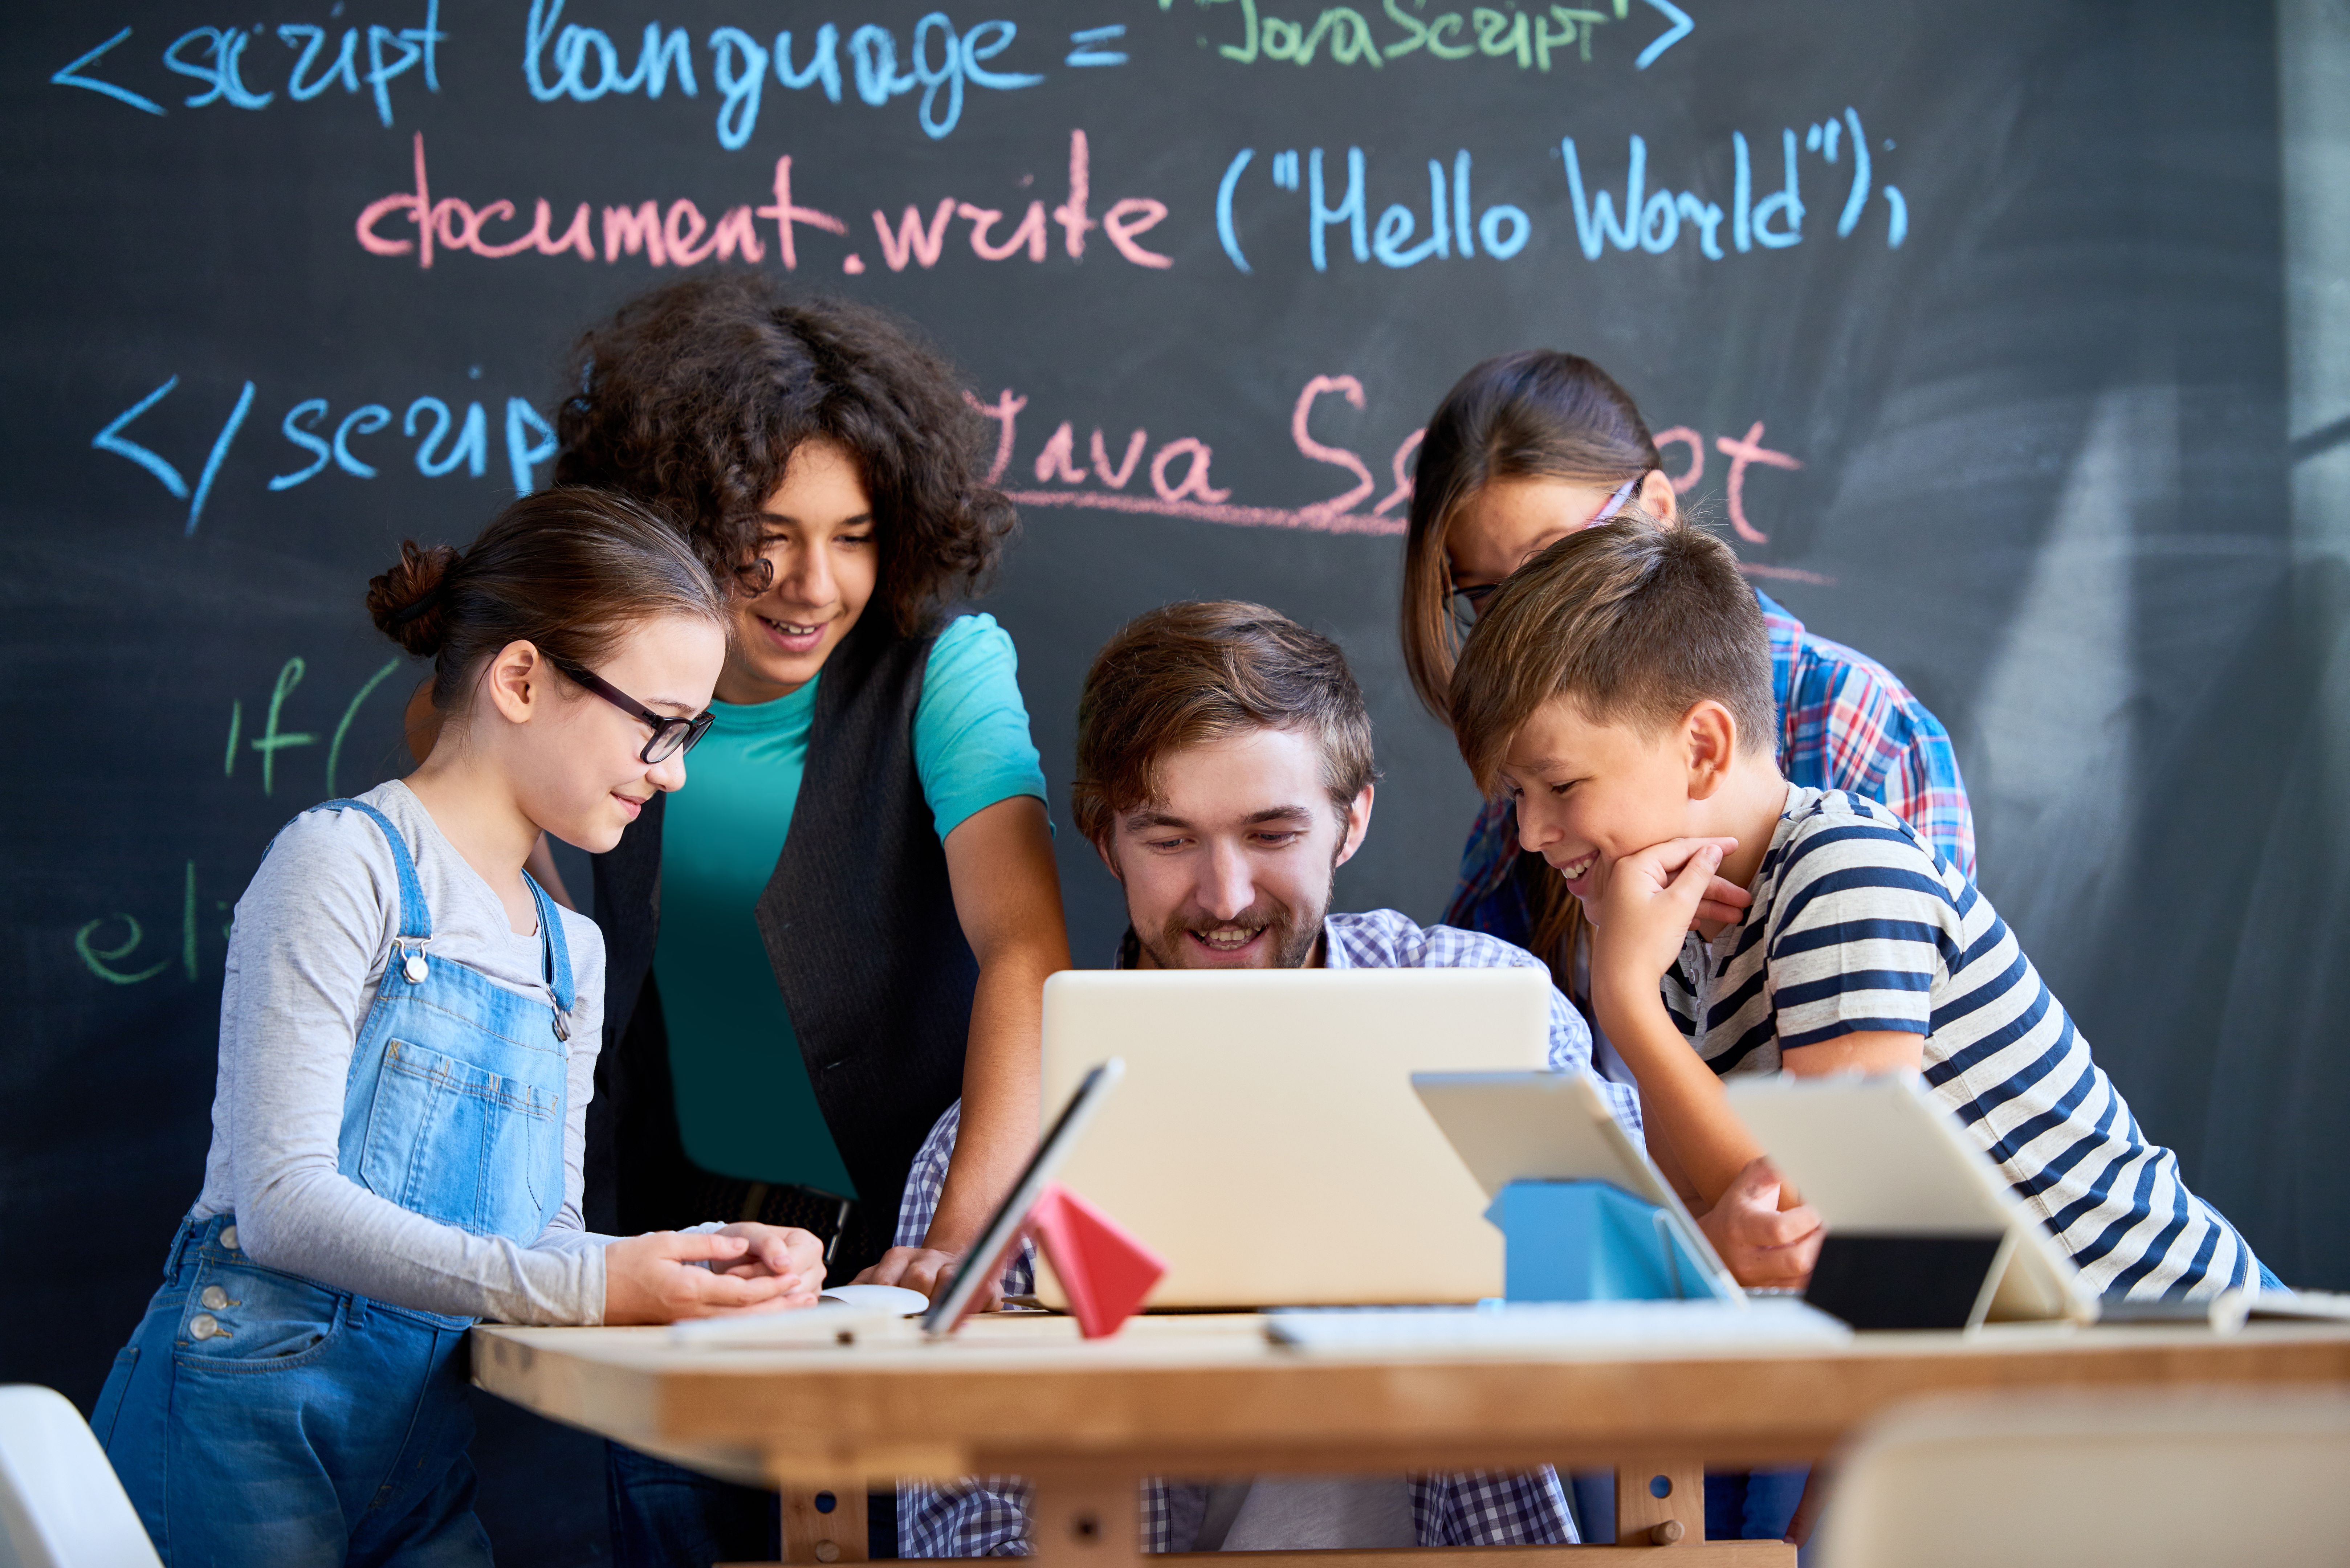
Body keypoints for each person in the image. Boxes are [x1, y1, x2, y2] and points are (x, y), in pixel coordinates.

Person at [94, 490, 827, 1567]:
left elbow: (539, 1246)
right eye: (658, 724)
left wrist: (694, 1264)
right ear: (522, 679)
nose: (672, 769)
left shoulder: (569, 951)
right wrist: (600, 1285)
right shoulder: (341, 864)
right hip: (237, 1429)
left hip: (417, 1455)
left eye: (693, 730)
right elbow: (286, 1207)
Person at [895, 600, 1637, 1556]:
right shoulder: (995, 1150)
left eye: (1272, 834)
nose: (1227, 896)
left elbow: (1633, 1299)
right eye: (1169, 840)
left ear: (1352, 819)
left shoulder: (1485, 1013)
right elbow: (964, 1522)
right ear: (1104, 841)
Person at [550, 277, 1072, 1563]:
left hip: (889, 1294)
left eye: (853, 534)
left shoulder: (943, 672)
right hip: (668, 1290)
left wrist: (953, 1247)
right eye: (763, 533)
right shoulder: (588, 691)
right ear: (677, 519)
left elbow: (1025, 949)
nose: (810, 583)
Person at [1446, 519, 2281, 1305]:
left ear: (1703, 749)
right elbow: (1732, 1230)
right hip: (2025, 1385)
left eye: (1560, 787)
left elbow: (1825, 1234)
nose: (1529, 833)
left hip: (2191, 1355)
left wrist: (1625, 1003)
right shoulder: (1678, 938)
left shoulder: (1840, 869)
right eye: (1517, 797)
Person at [1401, 350, 1975, 998]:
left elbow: (1897, 1050)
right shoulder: (1540, 781)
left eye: (1560, 559)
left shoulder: (1856, 724)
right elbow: (1475, 1028)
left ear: (1659, 511)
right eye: (1489, 597)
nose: (1527, 619)